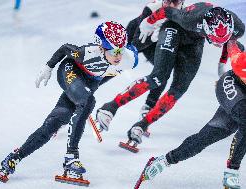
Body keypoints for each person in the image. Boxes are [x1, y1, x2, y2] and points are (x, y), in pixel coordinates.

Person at [0, 21, 138, 184]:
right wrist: (48, 66)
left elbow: (109, 72)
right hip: (69, 71)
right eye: (114, 51)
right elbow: (64, 48)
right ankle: (71, 157)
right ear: (101, 48)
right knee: (88, 101)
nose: (118, 55)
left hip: (86, 84)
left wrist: (88, 90)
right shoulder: (87, 53)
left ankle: (13, 158)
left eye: (121, 50)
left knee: (53, 124)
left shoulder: (129, 59)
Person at [96, 2, 245, 148]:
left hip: (194, 42)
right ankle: (110, 107)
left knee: (179, 89)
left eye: (221, 41)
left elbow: (230, 44)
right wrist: (148, 22)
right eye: (214, 40)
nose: (218, 44)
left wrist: (222, 65)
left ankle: (142, 125)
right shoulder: (189, 18)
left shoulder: (238, 28)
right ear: (205, 28)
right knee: (158, 77)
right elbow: (167, 10)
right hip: (173, 29)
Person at [143, 40, 246, 189]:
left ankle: (165, 160)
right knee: (235, 125)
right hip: (231, 86)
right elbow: (232, 45)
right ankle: (231, 173)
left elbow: (233, 43)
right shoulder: (238, 61)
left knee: (206, 137)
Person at [126, 0, 186, 121]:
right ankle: (90, 86)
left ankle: (148, 106)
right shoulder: (152, 8)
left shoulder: (185, 13)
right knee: (119, 62)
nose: (170, 6)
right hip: (136, 35)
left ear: (182, 3)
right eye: (167, 1)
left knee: (163, 71)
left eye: (175, 2)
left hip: (155, 43)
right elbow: (136, 44)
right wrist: (153, 37)